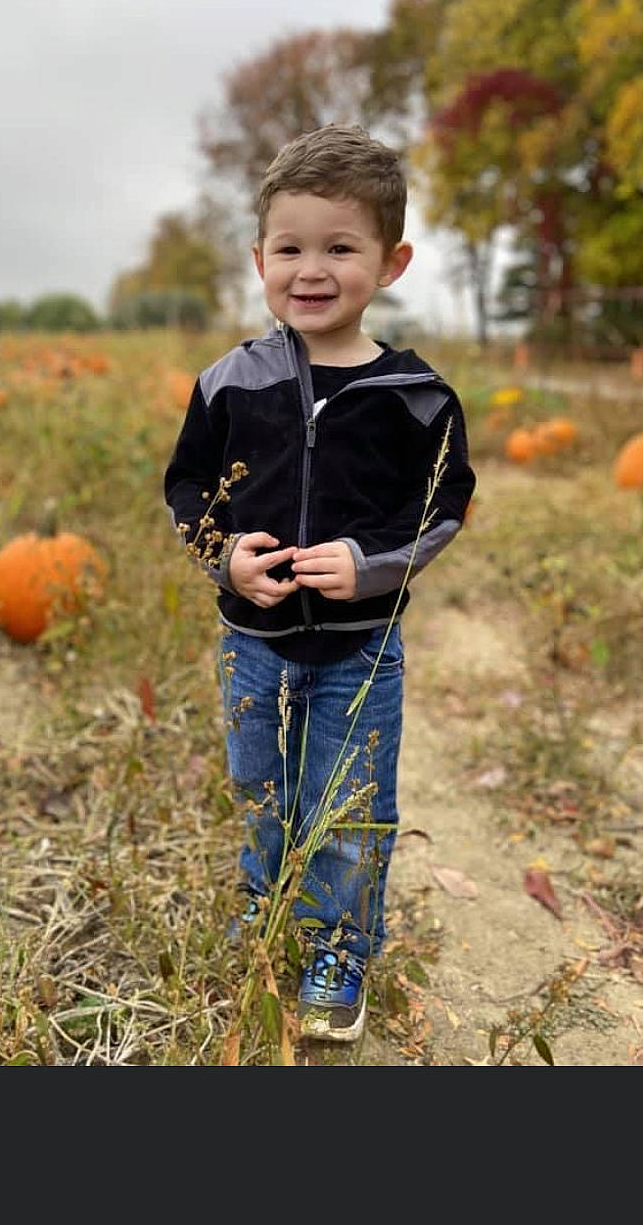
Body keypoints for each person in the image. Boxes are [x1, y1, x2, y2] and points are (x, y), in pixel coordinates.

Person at [164, 126, 475, 1042]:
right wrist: (224, 555)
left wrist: (370, 564)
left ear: (391, 262)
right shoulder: (230, 382)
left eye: (340, 248)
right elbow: (186, 485)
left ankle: (341, 943)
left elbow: (443, 508)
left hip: (360, 647)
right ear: (259, 258)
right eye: (290, 248)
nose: (312, 269)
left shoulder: (416, 396)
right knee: (260, 785)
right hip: (250, 641)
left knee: (347, 800)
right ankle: (265, 908)